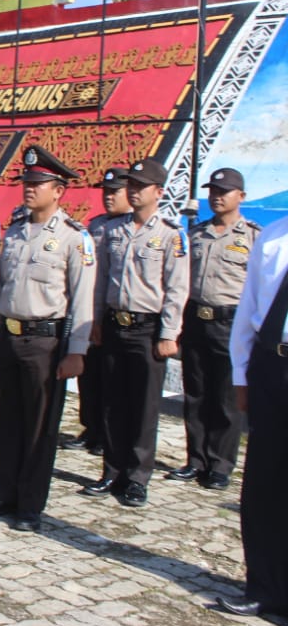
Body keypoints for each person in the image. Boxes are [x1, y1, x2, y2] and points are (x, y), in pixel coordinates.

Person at [0, 146, 94, 531]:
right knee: (5, 422)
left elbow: (82, 299)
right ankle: (4, 493)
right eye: (27, 182)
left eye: (38, 183)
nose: (29, 188)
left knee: (39, 427)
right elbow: (3, 286)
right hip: (9, 337)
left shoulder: (75, 237)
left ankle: (30, 505)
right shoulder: (17, 230)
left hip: (45, 342)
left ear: (58, 190)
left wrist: (76, 351)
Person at [82, 157, 189, 507]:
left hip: (147, 329)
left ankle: (137, 477)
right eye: (131, 184)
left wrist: (169, 333)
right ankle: (111, 470)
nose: (133, 190)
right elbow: (100, 283)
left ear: (158, 192)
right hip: (115, 324)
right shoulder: (114, 231)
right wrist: (96, 320)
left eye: (140, 186)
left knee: (143, 407)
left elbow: (176, 289)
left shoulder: (170, 236)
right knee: (112, 401)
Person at [167, 168, 258, 490]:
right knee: (196, 393)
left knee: (225, 396)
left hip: (230, 322)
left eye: (224, 191)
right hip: (195, 318)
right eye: (213, 191)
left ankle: (220, 464)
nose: (217, 196)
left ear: (240, 197)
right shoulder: (197, 234)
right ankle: (196, 459)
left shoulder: (251, 237)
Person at [219, 209, 288, 617]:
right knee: (264, 481)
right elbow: (249, 309)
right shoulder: (274, 237)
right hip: (271, 366)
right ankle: (263, 585)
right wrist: (241, 373)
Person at [62, 166, 130, 454]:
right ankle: (90, 428)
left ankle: (107, 434)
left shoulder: (131, 227)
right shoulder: (96, 226)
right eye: (106, 191)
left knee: (114, 380)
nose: (109, 197)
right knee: (88, 377)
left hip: (115, 314)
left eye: (115, 192)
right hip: (88, 313)